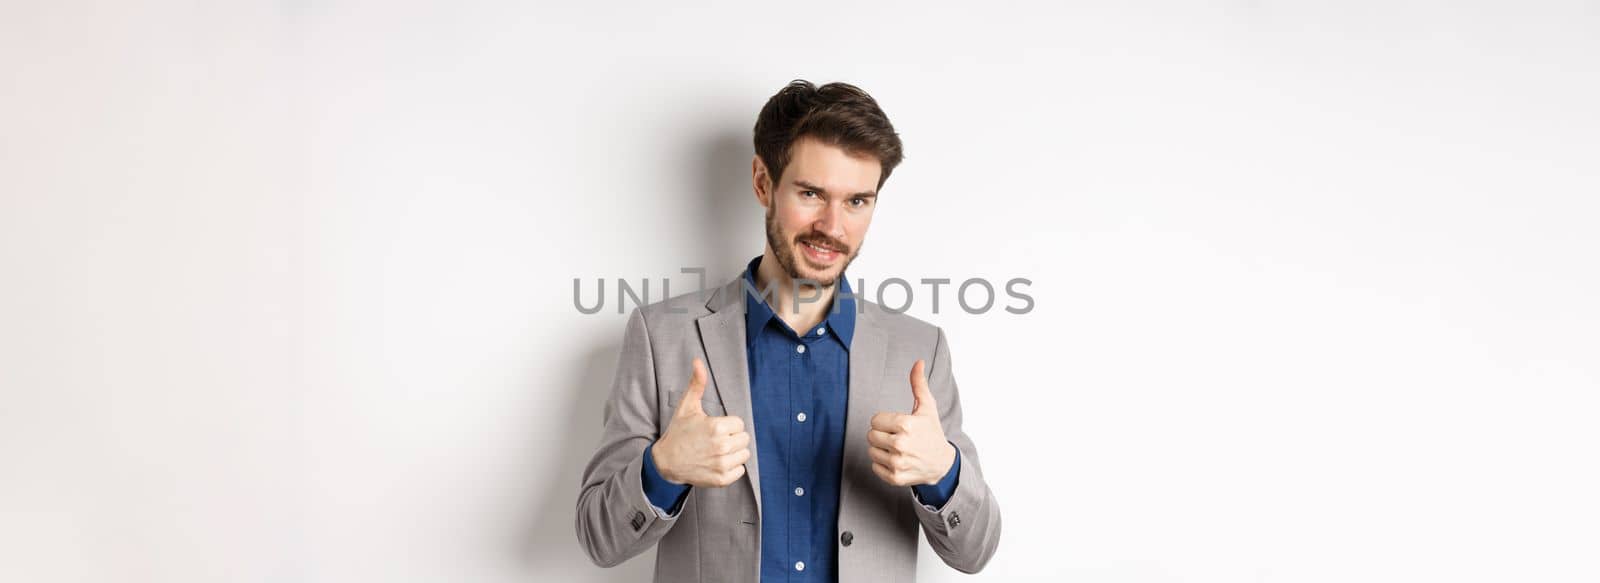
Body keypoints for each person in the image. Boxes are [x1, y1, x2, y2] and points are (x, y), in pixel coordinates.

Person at [575, 79, 1001, 582]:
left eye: (857, 201)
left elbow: (974, 553)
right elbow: (599, 539)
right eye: (811, 193)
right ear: (762, 182)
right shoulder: (660, 336)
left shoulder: (919, 349)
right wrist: (662, 469)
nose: (833, 226)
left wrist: (942, 473)